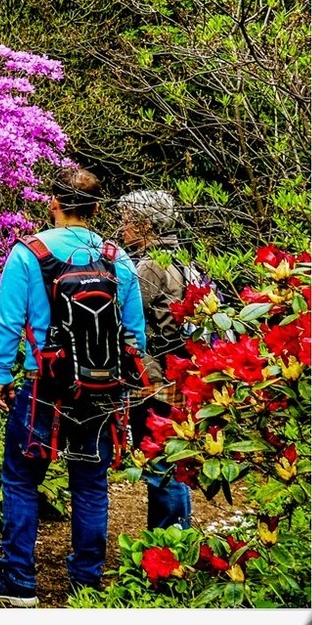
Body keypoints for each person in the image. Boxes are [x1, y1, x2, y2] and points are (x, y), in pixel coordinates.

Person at [0, 167, 147, 607]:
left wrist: (2, 374)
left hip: (43, 386)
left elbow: (7, 321)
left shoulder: (29, 253)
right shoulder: (116, 258)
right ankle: (86, 586)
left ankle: (19, 580)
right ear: (98, 208)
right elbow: (135, 336)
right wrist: (124, 385)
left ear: (53, 203)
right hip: (100, 389)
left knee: (22, 478)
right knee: (90, 483)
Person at [118, 189, 193, 530]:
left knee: (161, 460)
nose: (122, 229)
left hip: (156, 376)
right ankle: (175, 535)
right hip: (182, 371)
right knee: (174, 456)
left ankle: (169, 541)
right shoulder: (184, 260)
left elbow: (127, 317)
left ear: (145, 225)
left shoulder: (150, 266)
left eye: (126, 221)